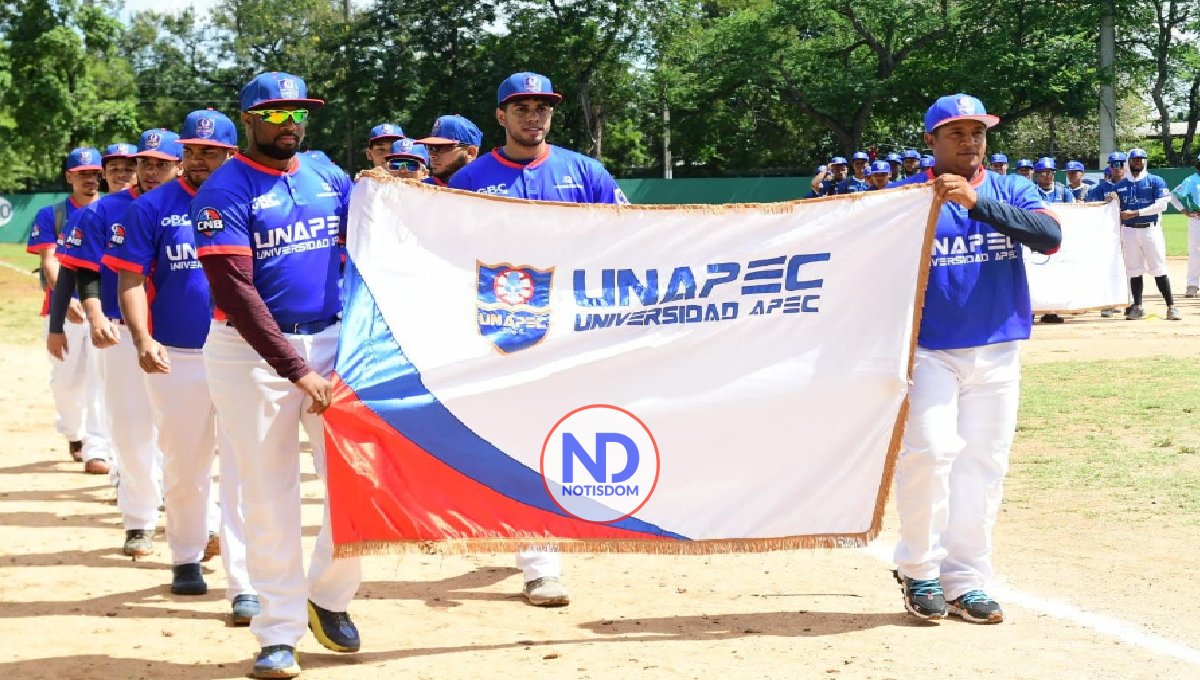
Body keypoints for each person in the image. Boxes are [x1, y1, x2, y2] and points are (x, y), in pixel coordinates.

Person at [190, 72, 362, 679]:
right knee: (267, 495)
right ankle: (278, 632)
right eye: (276, 114)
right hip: (249, 353)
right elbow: (236, 293)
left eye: (298, 113)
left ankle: (328, 594)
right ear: (249, 121)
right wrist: (295, 370)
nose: (290, 124)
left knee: (359, 484)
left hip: (335, 340)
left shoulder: (324, 174)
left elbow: (375, 237)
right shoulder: (222, 191)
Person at [449, 70, 629, 608]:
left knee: (555, 430)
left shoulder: (585, 172)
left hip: (574, 320)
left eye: (542, 107)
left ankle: (542, 538)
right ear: (501, 116)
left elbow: (629, 236)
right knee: (523, 434)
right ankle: (540, 561)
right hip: (503, 324)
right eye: (522, 107)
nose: (534, 116)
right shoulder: (471, 181)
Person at [890, 94, 1061, 624]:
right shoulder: (904, 197)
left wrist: (973, 201)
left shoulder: (1009, 188)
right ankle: (919, 569)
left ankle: (966, 580)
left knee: (983, 464)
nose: (970, 143)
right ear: (931, 142)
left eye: (978, 133)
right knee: (931, 452)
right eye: (956, 134)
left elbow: (1050, 236)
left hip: (997, 344)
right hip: (927, 348)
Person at [101, 109, 258, 625]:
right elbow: (128, 279)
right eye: (191, 150)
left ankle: (244, 582)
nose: (197, 160)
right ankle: (187, 557)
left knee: (242, 470)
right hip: (180, 355)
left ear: (231, 154)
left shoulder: (251, 197)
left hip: (240, 350)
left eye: (209, 152)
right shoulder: (154, 206)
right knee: (186, 465)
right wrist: (142, 338)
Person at [52, 129, 181, 558]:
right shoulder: (104, 210)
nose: (149, 169)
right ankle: (140, 519)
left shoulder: (197, 206)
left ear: (177, 165)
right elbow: (84, 270)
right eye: (145, 161)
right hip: (121, 330)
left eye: (160, 162)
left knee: (183, 432)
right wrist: (92, 315)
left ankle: (188, 516)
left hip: (182, 334)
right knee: (129, 429)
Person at [27, 146, 113, 472]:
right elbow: (50, 262)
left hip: (103, 308)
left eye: (94, 173)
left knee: (99, 379)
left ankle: (96, 447)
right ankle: (74, 433)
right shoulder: (53, 214)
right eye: (83, 174)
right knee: (65, 382)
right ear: (70, 177)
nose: (90, 179)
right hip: (60, 309)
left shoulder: (111, 210)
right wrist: (68, 299)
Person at [1115, 148, 1179, 320]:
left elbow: (1162, 205)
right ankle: (1137, 306)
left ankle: (1171, 306)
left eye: (1141, 159)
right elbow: (1113, 209)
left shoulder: (1156, 181)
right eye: (1135, 159)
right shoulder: (1119, 186)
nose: (1138, 162)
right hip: (1128, 231)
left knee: (1158, 267)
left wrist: (1136, 213)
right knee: (1134, 269)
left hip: (1151, 229)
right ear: (1128, 162)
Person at [1031, 158, 1073, 324]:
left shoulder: (1064, 192)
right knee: (1035, 274)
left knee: (1055, 273)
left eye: (1050, 172)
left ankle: (1051, 311)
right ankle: (1033, 309)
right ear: (1037, 175)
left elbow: (1074, 213)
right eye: (1043, 173)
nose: (1047, 176)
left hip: (1057, 238)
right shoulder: (1031, 191)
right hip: (1035, 238)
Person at [1088, 152, 1129, 318]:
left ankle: (1130, 301)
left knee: (1129, 268)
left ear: (1126, 165)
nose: (1118, 168)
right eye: (1114, 165)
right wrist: (1105, 203)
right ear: (1110, 167)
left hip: (1129, 229)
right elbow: (1090, 205)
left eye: (1121, 164)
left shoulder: (1132, 184)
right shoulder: (1102, 187)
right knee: (1108, 266)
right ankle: (1109, 302)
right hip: (1108, 233)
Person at [416, 114, 483, 186]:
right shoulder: (420, 189)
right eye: (430, 147)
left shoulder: (488, 190)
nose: (432, 155)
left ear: (471, 153)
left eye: (442, 148)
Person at [1169, 153, 1200, 298]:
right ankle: (1192, 285)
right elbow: (1173, 195)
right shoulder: (1191, 180)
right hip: (1197, 219)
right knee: (1195, 253)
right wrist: (1183, 210)